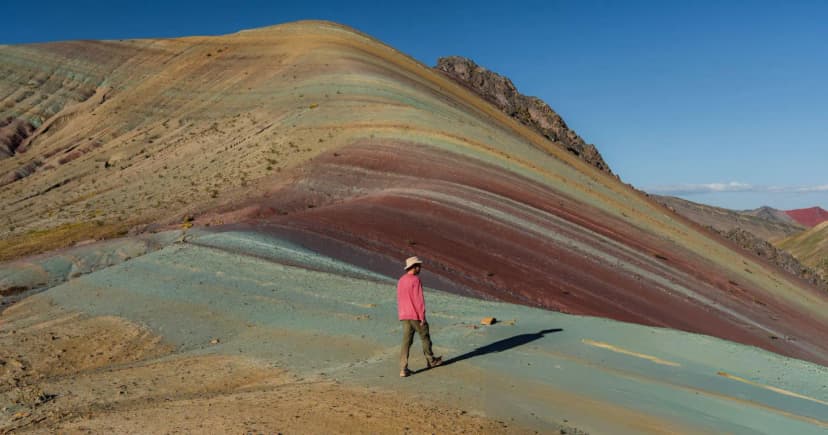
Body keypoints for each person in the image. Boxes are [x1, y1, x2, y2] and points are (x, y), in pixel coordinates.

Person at [397, 256, 442, 377]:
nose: (420, 268)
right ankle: (431, 361)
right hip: (415, 315)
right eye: (419, 266)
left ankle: (403, 368)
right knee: (425, 336)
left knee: (406, 342)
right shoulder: (415, 280)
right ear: (414, 267)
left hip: (404, 315)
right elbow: (419, 300)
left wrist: (401, 313)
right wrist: (422, 317)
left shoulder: (401, 280)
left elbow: (400, 298)